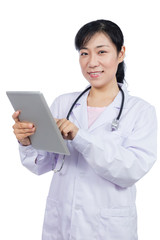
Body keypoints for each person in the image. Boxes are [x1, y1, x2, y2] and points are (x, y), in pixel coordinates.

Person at [12, 19, 157, 240]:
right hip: (61, 224)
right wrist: (27, 141)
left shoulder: (140, 111)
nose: (92, 62)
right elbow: (42, 164)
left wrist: (80, 137)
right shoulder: (64, 103)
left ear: (121, 53)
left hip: (109, 229)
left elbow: (130, 170)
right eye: (84, 53)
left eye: (101, 52)